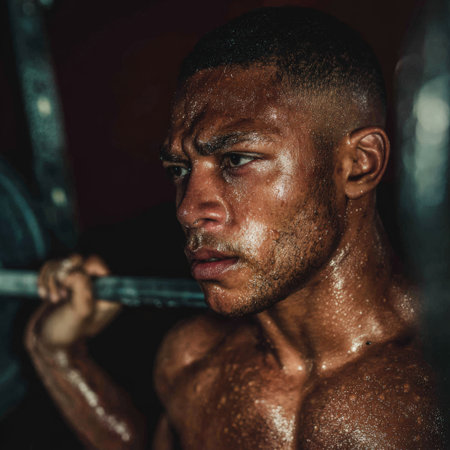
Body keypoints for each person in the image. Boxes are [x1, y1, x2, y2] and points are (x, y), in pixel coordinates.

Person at [26, 7, 446, 449]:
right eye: (178, 169)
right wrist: (56, 355)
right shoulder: (192, 362)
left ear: (359, 165)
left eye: (237, 160)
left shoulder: (435, 377)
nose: (189, 210)